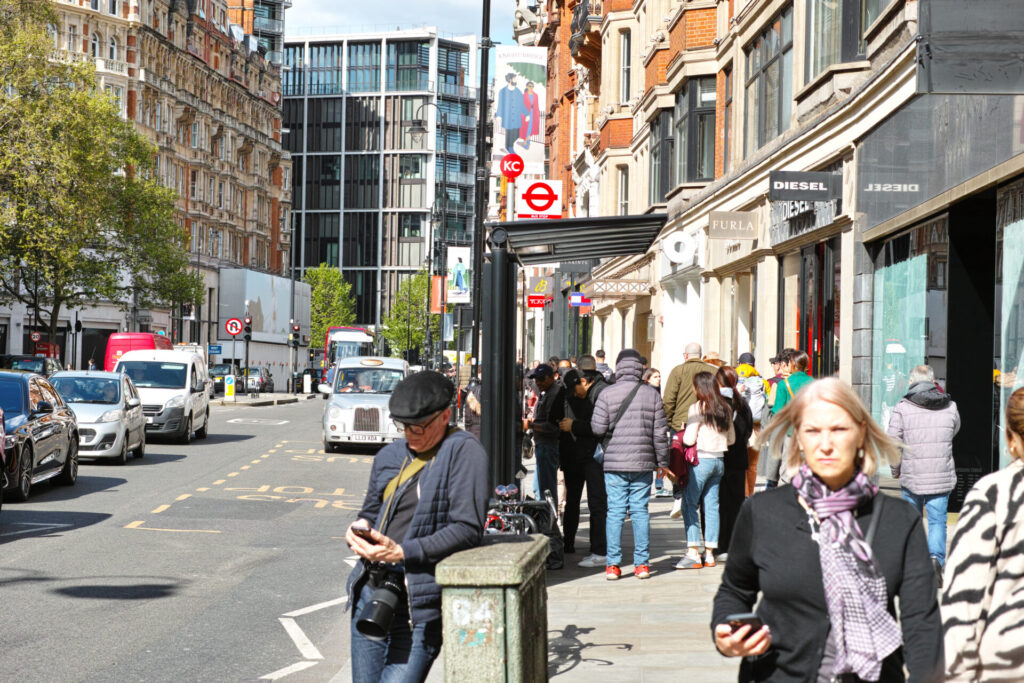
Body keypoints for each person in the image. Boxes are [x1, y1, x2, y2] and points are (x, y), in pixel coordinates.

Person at [712, 378, 944, 682]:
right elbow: (734, 590)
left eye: (839, 429)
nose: (825, 444)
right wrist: (725, 633)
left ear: (861, 433)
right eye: (812, 431)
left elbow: (921, 623)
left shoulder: (899, 520)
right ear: (798, 438)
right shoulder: (762, 512)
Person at [345, 371, 489, 682]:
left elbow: (467, 528)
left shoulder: (464, 451)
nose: (410, 435)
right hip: (373, 592)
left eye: (418, 427)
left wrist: (402, 552)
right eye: (403, 426)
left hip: (418, 605)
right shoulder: (389, 455)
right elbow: (369, 512)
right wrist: (357, 529)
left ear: (445, 416)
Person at [942, 386, 1024, 680]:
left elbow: (965, 599)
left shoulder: (994, 494)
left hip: (1007, 664)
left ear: (1010, 440)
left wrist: (956, 673)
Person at [591, 349, 669, 580]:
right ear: (640, 369)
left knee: (615, 512)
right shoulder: (652, 394)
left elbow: (597, 428)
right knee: (640, 511)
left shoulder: (607, 393)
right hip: (643, 463)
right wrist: (662, 462)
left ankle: (613, 565)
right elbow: (660, 433)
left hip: (614, 462)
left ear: (618, 367)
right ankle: (642, 565)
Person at [885, 365, 960, 587]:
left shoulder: (903, 407)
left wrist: (895, 469)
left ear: (912, 381)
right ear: (933, 381)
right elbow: (953, 430)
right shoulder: (951, 406)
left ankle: (913, 565)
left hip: (912, 475)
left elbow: (893, 441)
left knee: (912, 521)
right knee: (938, 521)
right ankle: (935, 559)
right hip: (940, 474)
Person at [676, 372, 736, 569]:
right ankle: (710, 553)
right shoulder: (725, 407)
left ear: (699, 388)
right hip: (719, 460)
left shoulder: (698, 407)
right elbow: (732, 439)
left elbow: (688, 439)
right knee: (712, 507)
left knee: (689, 504)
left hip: (701, 460)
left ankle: (693, 551)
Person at [559, 368, 609, 567]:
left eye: (575, 388)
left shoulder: (599, 394)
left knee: (596, 503)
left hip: (592, 456)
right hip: (576, 456)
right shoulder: (573, 396)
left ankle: (598, 548)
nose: (573, 393)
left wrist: (573, 426)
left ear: (584, 382)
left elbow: (598, 427)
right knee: (574, 501)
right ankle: (571, 543)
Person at [663, 343, 717, 517]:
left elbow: (669, 400)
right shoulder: (713, 371)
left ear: (685, 355)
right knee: (700, 460)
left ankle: (679, 495)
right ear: (700, 355)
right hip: (708, 422)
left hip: (681, 423)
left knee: (679, 461)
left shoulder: (677, 371)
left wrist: (668, 422)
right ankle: (700, 497)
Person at [715, 366, 752, 560]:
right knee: (736, 503)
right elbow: (748, 430)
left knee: (718, 504)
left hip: (719, 457)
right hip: (738, 459)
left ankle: (718, 545)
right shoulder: (742, 404)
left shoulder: (714, 402)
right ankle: (735, 545)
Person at [527, 363, 563, 502]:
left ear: (551, 377)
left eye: (541, 379)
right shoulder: (547, 393)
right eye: (536, 379)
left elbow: (552, 426)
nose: (538, 383)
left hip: (548, 445)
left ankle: (548, 513)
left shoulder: (554, 394)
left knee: (547, 487)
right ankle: (544, 511)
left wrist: (530, 425)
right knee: (541, 486)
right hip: (543, 445)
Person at [735, 352, 768, 496]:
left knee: (739, 464)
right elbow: (768, 403)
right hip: (756, 427)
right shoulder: (762, 381)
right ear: (754, 365)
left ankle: (742, 493)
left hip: (739, 427)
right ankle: (750, 494)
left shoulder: (733, 379)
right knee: (752, 465)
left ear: (739, 363)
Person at [643, 368, 670, 498]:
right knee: (659, 459)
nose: (658, 379)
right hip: (653, 431)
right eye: (655, 377)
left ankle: (659, 485)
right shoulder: (650, 392)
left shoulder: (655, 390)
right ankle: (659, 485)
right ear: (647, 379)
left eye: (659, 376)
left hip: (654, 430)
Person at [495, 72, 526, 154]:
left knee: (517, 134)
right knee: (509, 132)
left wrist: (527, 114)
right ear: (510, 80)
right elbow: (500, 104)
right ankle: (509, 148)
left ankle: (508, 146)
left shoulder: (518, 92)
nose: (516, 80)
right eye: (514, 79)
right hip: (507, 117)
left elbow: (521, 105)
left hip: (516, 117)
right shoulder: (502, 91)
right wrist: (499, 115)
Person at [519, 80, 541, 149]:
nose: (531, 88)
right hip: (526, 114)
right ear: (526, 87)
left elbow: (537, 105)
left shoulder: (536, 95)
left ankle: (527, 142)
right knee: (526, 128)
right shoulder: (524, 96)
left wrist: (537, 113)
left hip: (533, 113)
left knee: (530, 128)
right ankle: (526, 141)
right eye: (529, 86)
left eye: (532, 86)